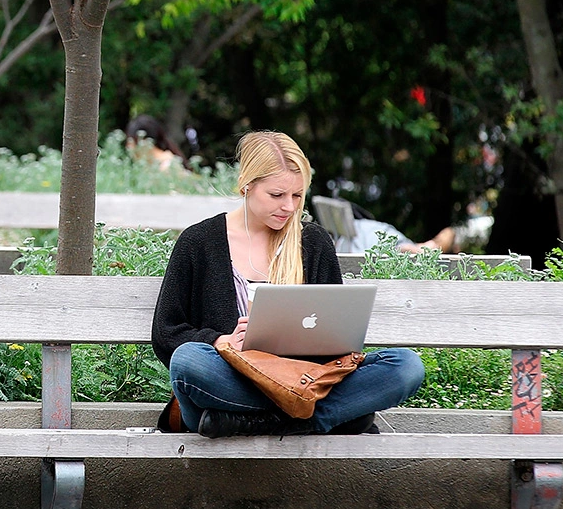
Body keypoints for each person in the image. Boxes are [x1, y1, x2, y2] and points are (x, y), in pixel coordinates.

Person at [151, 130, 425, 437]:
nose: (289, 207)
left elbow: (336, 338)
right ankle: (328, 419)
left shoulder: (313, 241)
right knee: (189, 364)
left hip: (302, 380)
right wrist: (220, 340)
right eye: (276, 195)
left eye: (297, 195)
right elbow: (166, 332)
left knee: (406, 366)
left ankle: (262, 423)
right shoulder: (198, 242)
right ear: (247, 185)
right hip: (231, 379)